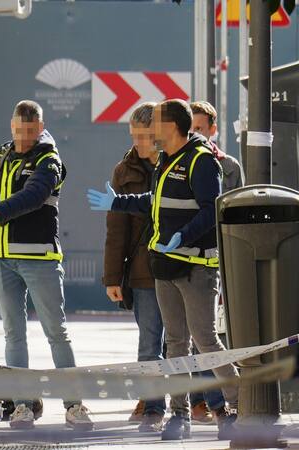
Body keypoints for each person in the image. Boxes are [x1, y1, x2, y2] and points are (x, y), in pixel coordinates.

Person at [87, 99, 240, 441]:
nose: (149, 130)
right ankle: (179, 414)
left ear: (171, 126)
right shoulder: (165, 162)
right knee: (175, 344)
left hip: (196, 269)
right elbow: (154, 201)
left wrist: (182, 236)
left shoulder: (202, 162)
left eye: (154, 123)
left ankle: (236, 406)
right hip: (165, 268)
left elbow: (210, 210)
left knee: (205, 340)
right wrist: (117, 202)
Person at [0, 100, 93, 431]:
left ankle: (74, 405)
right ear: (11, 126)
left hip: (39, 258)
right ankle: (22, 406)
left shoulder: (49, 159)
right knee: (13, 334)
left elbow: (34, 196)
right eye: (19, 130)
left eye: (31, 131)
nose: (24, 137)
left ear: (40, 127)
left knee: (56, 331)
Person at [101, 102, 166, 432]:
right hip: (143, 271)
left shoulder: (177, 164)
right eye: (134, 136)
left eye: (144, 136)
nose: (138, 143)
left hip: (180, 266)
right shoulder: (123, 171)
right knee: (149, 343)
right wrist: (112, 277)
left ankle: (185, 404)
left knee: (182, 343)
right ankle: (154, 408)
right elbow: (117, 229)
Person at [188, 101, 245, 424]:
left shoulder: (230, 166)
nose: (195, 133)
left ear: (213, 130)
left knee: (207, 333)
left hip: (218, 258)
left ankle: (214, 400)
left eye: (200, 127)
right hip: (187, 256)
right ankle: (200, 402)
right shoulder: (178, 162)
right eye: (190, 127)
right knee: (195, 335)